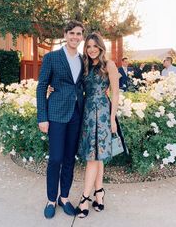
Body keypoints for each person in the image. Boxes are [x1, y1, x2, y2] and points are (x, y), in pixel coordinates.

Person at [36, 20, 85, 219]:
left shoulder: (84, 60)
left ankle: (64, 198)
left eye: (79, 34)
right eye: (72, 33)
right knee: (55, 159)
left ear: (82, 36)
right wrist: (42, 117)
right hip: (55, 113)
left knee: (69, 159)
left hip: (76, 114)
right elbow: (41, 87)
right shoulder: (52, 57)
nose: (75, 37)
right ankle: (51, 199)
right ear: (65, 34)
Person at [76, 32, 119, 218]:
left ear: (101, 47)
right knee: (96, 155)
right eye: (88, 46)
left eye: (95, 46)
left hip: (102, 113)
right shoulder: (84, 65)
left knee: (92, 157)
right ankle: (99, 193)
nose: (92, 49)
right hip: (87, 113)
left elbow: (116, 94)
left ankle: (85, 198)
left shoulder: (109, 65)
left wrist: (112, 119)